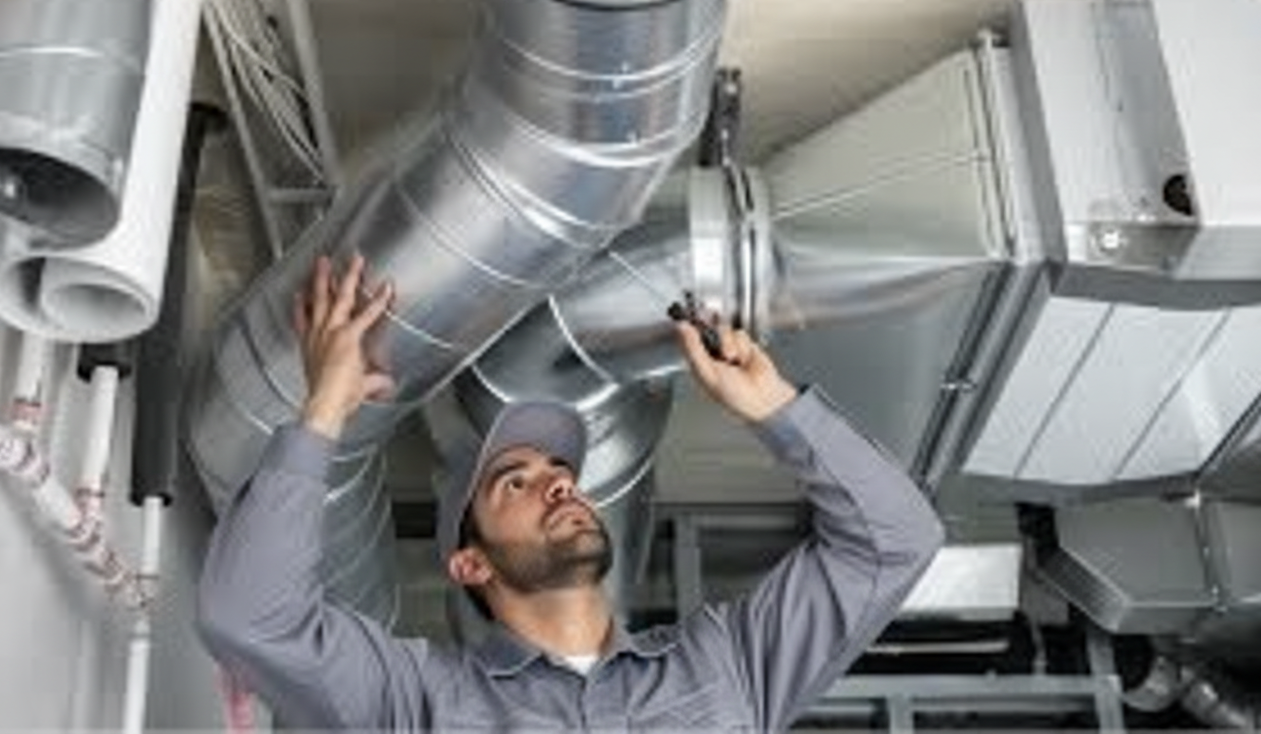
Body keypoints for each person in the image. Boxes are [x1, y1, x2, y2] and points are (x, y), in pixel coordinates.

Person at [197, 254, 945, 731]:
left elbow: (898, 540)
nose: (558, 485)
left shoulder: (728, 665)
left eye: (560, 475)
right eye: (514, 482)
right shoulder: (416, 700)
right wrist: (325, 408)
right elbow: (249, 616)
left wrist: (778, 408)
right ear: (470, 565)